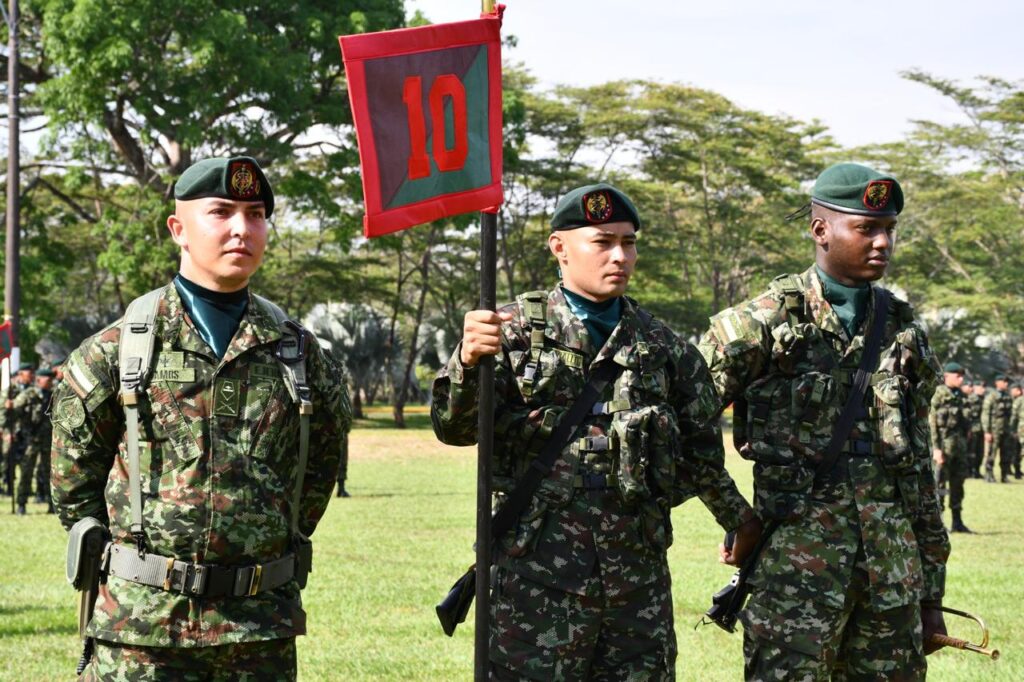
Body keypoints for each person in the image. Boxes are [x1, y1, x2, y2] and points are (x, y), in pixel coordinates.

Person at [431, 183, 760, 680]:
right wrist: (467, 360)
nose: (620, 256)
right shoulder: (510, 333)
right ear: (559, 248)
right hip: (537, 583)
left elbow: (699, 455)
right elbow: (453, 429)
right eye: (603, 242)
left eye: (629, 243)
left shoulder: (663, 347)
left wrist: (738, 518)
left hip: (636, 586)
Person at [50, 156, 351, 680]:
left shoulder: (298, 353)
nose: (242, 229)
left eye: (256, 214)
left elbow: (316, 471)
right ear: (178, 228)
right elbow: (73, 487)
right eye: (221, 212)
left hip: (258, 631)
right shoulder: (118, 350)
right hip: (142, 630)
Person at [697, 163, 950, 680]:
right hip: (795, 580)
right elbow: (680, 425)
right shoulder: (759, 323)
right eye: (866, 228)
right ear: (820, 231)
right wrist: (736, 517)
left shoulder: (904, 331)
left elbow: (919, 470)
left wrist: (930, 593)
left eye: (889, 230)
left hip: (891, 584)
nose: (882, 242)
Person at [929, 362, 971, 532]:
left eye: (962, 376)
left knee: (958, 485)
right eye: (958, 376)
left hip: (959, 448)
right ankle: (938, 523)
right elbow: (932, 424)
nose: (961, 379)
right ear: (947, 375)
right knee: (939, 486)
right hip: (943, 448)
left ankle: (957, 522)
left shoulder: (961, 395)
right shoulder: (938, 394)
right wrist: (937, 449)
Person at [10, 367, 55, 514]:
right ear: (39, 380)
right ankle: (21, 504)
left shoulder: (54, 395)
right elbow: (14, 411)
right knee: (26, 471)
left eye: (51, 381)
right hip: (31, 439)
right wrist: (10, 407)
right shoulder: (28, 395)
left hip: (48, 440)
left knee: (49, 473)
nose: (49, 383)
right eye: (47, 380)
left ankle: (51, 504)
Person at [1, 363, 34, 496]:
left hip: (27, 430)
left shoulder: (32, 390)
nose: (31, 377)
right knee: (9, 459)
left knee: (27, 460)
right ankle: (9, 486)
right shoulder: (9, 391)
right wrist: (5, 431)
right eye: (28, 374)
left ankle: (27, 489)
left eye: (32, 374)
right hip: (11, 430)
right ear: (21, 374)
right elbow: (2, 412)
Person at [982, 375, 1014, 482]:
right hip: (994, 430)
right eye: (1004, 381)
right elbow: (986, 415)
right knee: (992, 453)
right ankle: (989, 475)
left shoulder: (1008, 397)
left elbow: (1011, 415)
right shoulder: (991, 396)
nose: (1006, 383)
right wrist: (987, 431)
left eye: (1007, 382)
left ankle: (1004, 475)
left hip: (1006, 430)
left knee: (1006, 454)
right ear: (997, 383)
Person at [966, 380, 987, 478]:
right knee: (971, 451)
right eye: (981, 387)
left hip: (981, 429)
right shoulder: (970, 399)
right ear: (975, 387)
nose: (983, 389)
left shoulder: (984, 399)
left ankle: (977, 470)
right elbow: (967, 415)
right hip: (973, 429)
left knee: (980, 452)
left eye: (984, 387)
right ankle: (970, 471)